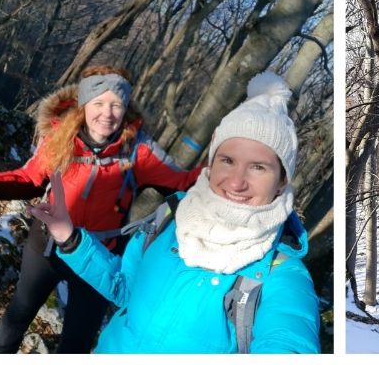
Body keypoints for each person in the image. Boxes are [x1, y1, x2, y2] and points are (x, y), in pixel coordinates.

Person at [29, 72, 320, 353]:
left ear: (282, 181)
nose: (236, 181)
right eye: (227, 160)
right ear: (211, 162)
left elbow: (289, 344)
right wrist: (70, 238)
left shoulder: (281, 275)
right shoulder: (171, 219)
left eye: (258, 167)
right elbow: (125, 286)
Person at [0, 65, 200, 354]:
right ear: (84, 104)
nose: (107, 113)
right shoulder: (60, 138)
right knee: (19, 312)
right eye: (99, 103)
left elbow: (183, 181)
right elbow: (29, 179)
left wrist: (229, 168)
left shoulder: (138, 150)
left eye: (116, 104)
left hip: (99, 255)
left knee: (77, 343)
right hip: (47, 245)